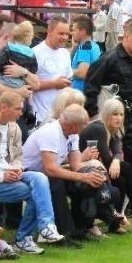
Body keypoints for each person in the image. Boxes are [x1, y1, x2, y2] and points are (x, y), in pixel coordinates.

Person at [0, 91, 64, 254]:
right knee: (34, 193)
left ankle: (46, 227)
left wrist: (16, 168)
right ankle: (24, 239)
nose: (21, 113)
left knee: (39, 178)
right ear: (3, 108)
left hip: (8, 176)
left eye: (21, 109)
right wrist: (2, 175)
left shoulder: (14, 127)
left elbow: (18, 157)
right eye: (17, 109)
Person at [22, 103, 125, 241]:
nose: (85, 129)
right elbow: (50, 169)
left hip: (47, 173)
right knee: (58, 182)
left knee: (87, 179)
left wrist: (92, 175)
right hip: (30, 174)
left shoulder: (72, 134)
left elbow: (76, 165)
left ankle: (83, 225)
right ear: (74, 124)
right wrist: (83, 176)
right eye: (84, 125)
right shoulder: (51, 132)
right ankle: (68, 229)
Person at [79, 98, 132, 235]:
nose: (119, 118)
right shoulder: (98, 128)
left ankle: (114, 223)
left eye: (121, 115)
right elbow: (106, 158)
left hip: (99, 168)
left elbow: (116, 152)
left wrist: (117, 161)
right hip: (85, 168)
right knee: (126, 168)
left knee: (121, 180)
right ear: (106, 114)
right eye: (115, 114)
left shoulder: (113, 129)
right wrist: (116, 161)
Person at [83, 20, 132, 171]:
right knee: (108, 157)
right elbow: (91, 85)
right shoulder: (109, 58)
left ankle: (131, 189)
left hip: (129, 115)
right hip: (109, 116)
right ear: (125, 37)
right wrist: (93, 114)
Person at [30, 17, 73, 123]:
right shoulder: (35, 53)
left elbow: (68, 82)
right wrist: (53, 84)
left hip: (61, 119)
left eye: (67, 34)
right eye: (61, 33)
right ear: (49, 31)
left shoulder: (65, 53)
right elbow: (28, 85)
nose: (65, 37)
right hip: (40, 118)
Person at [70, 15, 101, 93]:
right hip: (90, 91)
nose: (72, 33)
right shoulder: (95, 46)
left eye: (74, 30)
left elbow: (82, 73)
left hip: (80, 93)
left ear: (83, 32)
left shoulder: (84, 48)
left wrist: (66, 71)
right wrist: (74, 47)